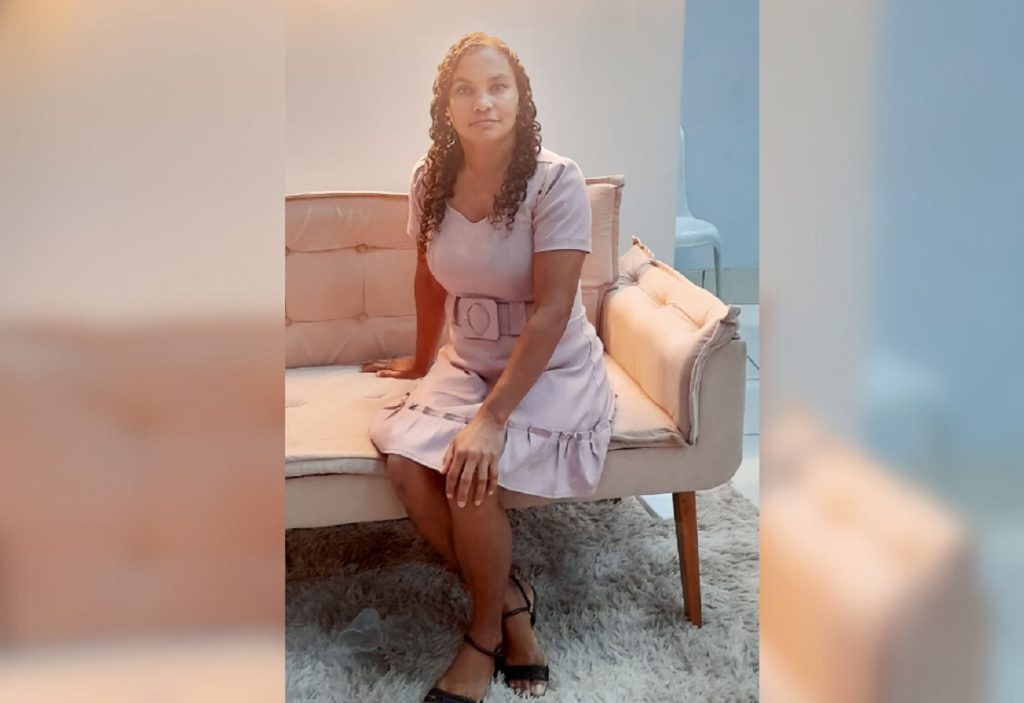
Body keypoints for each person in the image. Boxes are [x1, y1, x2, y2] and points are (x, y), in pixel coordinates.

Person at [361, 31, 616, 703]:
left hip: (548, 365)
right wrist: (421, 361)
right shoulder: (429, 179)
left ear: (521, 99)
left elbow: (553, 310)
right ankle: (511, 604)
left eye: (498, 87)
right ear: (445, 107)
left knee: (467, 471)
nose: (483, 102)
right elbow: (428, 279)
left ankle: (481, 638)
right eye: (465, 90)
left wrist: (492, 419)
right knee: (405, 466)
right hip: (469, 359)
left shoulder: (555, 181)